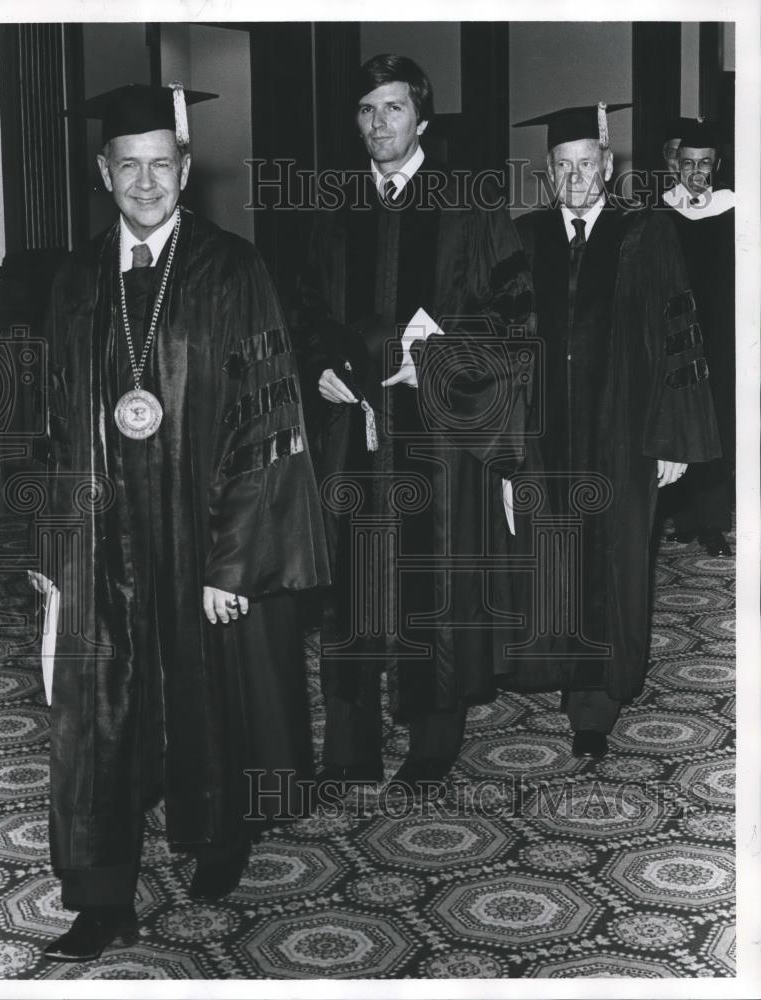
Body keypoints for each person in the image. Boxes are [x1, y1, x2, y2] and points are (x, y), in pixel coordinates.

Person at [29, 83, 329, 961]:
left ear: (187, 170)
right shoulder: (77, 276)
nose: (147, 182)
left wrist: (234, 562)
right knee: (96, 712)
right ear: (103, 172)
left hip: (201, 531)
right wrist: (51, 546)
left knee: (211, 692)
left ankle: (219, 835)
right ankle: (100, 891)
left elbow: (269, 421)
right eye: (130, 166)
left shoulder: (232, 268)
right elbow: (51, 418)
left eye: (163, 165)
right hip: (101, 534)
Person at [293, 54, 534, 795]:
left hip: (438, 430)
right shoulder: (333, 209)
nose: (378, 124)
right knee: (354, 577)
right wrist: (319, 370)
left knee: (436, 579)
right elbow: (302, 316)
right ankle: (351, 738)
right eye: (366, 110)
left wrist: (433, 363)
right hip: (354, 432)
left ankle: (432, 738)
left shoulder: (470, 205)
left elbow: (516, 321)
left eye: (392, 109)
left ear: (421, 118)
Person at [509, 103, 720, 758]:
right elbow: (504, 341)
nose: (575, 178)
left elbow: (676, 332)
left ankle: (597, 704)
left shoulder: (646, 233)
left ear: (607, 165)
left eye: (586, 164)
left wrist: (672, 440)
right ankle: (569, 675)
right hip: (547, 436)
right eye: (561, 167)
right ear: (547, 172)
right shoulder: (525, 237)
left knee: (619, 558)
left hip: (624, 433)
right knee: (557, 557)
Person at [660, 117, 735, 556]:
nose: (695, 171)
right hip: (676, 334)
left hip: (721, 334)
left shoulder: (734, 209)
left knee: (717, 422)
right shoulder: (660, 211)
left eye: (704, 163)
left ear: (716, 165)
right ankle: (683, 517)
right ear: (677, 165)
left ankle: (712, 523)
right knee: (681, 419)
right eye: (687, 162)